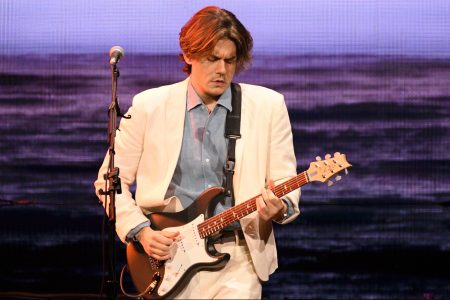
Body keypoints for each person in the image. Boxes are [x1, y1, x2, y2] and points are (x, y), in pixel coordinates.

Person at [95, 5, 300, 299]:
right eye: (212, 59)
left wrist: (281, 207)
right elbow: (108, 181)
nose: (222, 70)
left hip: (239, 257)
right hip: (167, 256)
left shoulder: (269, 106)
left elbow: (284, 181)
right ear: (189, 55)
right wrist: (141, 231)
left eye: (230, 61)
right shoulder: (149, 106)